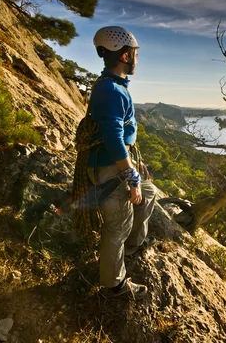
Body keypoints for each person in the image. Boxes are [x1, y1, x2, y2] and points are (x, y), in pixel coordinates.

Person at [87, 26, 158, 300]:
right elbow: (114, 140)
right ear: (125, 56)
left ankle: (132, 246)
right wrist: (131, 178)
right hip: (111, 169)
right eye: (135, 54)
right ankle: (115, 286)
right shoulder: (111, 91)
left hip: (112, 164)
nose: (137, 60)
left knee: (149, 194)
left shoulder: (113, 86)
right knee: (117, 226)